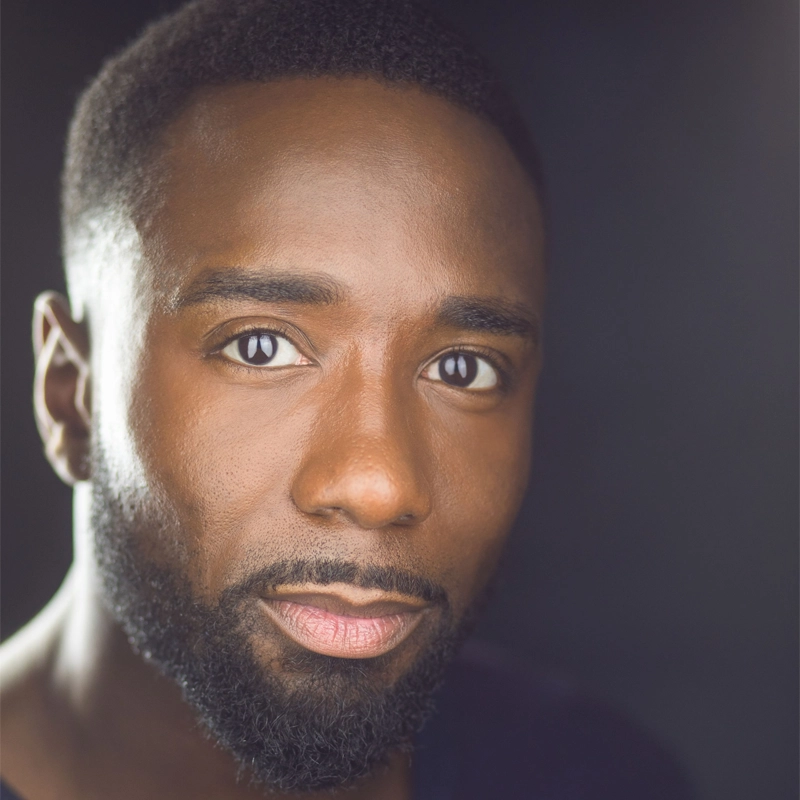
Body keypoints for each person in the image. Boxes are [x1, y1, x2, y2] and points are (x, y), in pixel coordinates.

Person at [0, 1, 692, 798]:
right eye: (261, 347)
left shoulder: (597, 775)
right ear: (70, 394)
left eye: (463, 368)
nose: (380, 486)